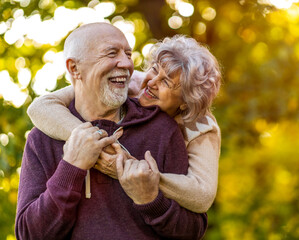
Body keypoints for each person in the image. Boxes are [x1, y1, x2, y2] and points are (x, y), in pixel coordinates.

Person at [16, 22, 207, 240]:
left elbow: (193, 231)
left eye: (128, 54)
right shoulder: (41, 139)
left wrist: (151, 200)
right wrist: (71, 167)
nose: (126, 63)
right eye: (111, 53)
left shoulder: (162, 130)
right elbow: (28, 235)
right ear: (74, 68)